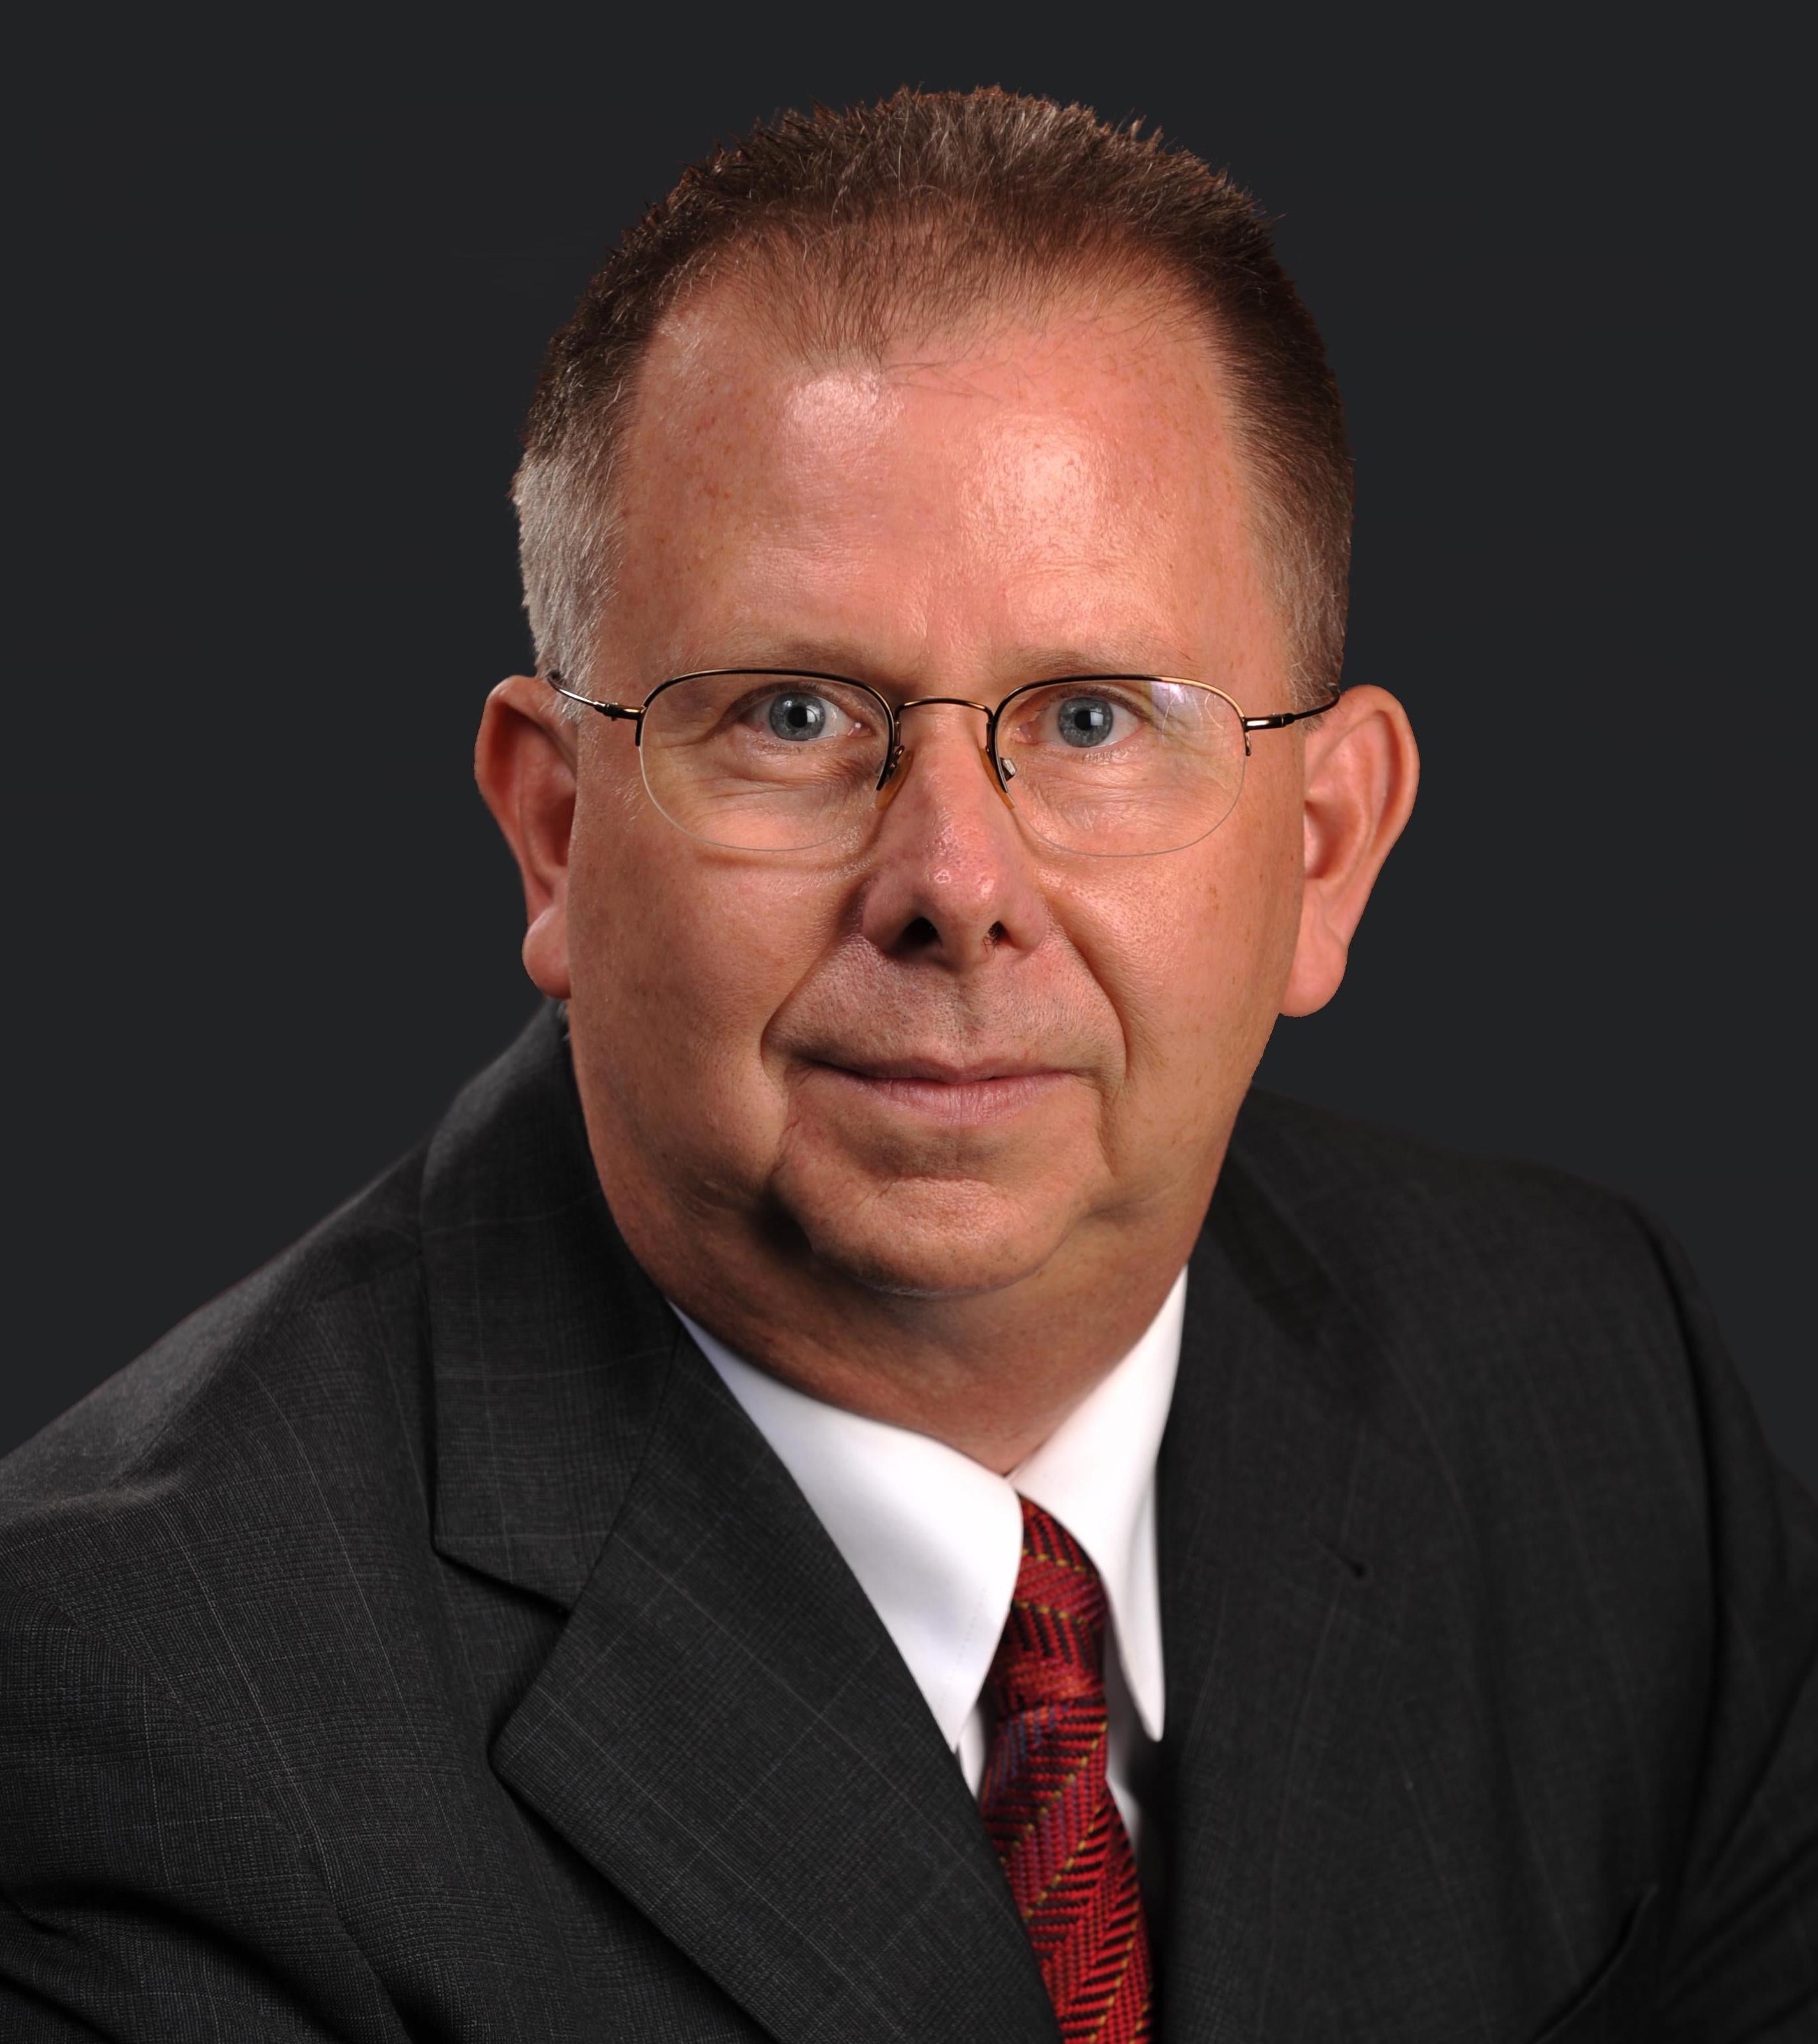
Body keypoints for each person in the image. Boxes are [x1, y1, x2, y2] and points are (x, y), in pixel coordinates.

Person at [1, 86, 1811, 2043]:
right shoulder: (136, 1701)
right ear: (554, 834)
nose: (956, 884)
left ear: (1322, 850)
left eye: (1102, 720)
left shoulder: (1592, 1394)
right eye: (793, 714)